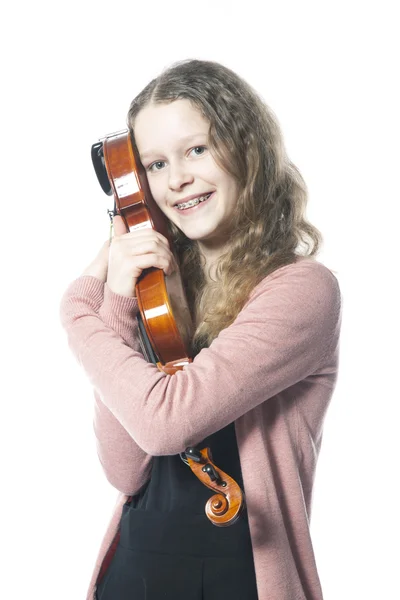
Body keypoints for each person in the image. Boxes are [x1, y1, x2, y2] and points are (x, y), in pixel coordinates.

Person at [60, 59, 342, 600]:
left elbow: (167, 422)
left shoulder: (302, 289)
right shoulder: (156, 293)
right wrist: (118, 300)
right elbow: (126, 470)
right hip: (133, 573)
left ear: (246, 149)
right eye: (156, 164)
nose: (177, 180)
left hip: (240, 580)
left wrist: (79, 310)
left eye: (197, 150)